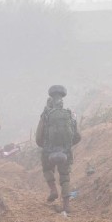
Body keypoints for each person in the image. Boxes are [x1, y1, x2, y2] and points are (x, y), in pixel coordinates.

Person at [36, 85, 81, 213]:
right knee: (65, 176)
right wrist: (67, 145)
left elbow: (38, 138)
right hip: (65, 151)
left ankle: (53, 190)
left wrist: (46, 147)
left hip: (48, 152)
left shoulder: (45, 116)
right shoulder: (69, 114)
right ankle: (66, 206)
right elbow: (77, 136)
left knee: (46, 168)